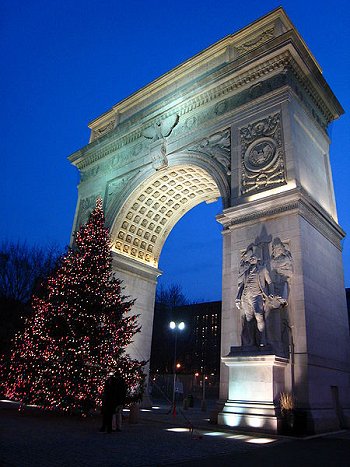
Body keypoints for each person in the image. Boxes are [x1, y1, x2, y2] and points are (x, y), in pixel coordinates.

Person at [235, 254, 273, 347]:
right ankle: (251, 342)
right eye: (251, 258)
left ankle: (263, 340)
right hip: (245, 297)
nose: (251, 259)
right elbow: (242, 286)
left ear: (257, 260)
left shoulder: (262, 269)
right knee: (249, 319)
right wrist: (238, 297)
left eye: (254, 258)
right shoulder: (246, 272)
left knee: (259, 316)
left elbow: (270, 282)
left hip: (257, 296)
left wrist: (271, 293)